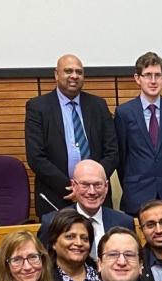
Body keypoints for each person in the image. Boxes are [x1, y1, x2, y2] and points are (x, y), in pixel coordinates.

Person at [25, 54, 119, 217]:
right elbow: (36, 157)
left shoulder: (98, 105)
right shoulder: (37, 107)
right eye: (68, 71)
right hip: (57, 196)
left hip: (96, 198)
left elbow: (112, 152)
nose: (74, 76)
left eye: (79, 72)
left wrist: (91, 187)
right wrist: (74, 189)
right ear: (56, 74)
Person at [114, 52, 162, 216]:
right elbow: (121, 155)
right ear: (137, 78)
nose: (153, 81)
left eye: (157, 75)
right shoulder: (124, 112)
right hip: (137, 193)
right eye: (148, 75)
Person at [38, 159, 136, 258]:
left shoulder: (124, 222)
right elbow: (46, 265)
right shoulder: (51, 222)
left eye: (97, 185)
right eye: (85, 185)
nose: (92, 191)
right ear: (73, 186)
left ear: (106, 187)